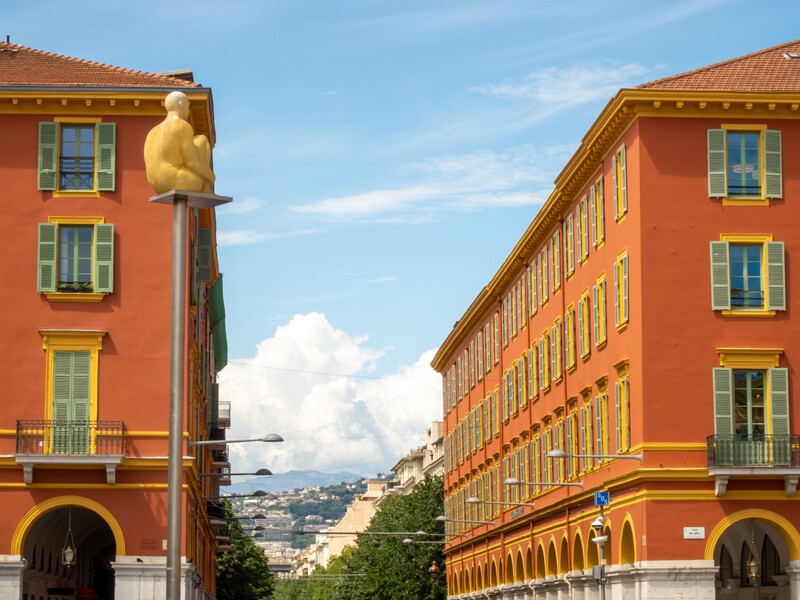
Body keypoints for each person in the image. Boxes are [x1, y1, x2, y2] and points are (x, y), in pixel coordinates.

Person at [144, 91, 215, 194]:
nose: (188, 111)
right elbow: (192, 162)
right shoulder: (182, 125)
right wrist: (211, 177)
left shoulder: (152, 131)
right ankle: (206, 187)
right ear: (181, 104)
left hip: (156, 186)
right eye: (187, 106)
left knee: (197, 141)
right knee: (202, 140)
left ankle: (205, 186)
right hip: (178, 182)